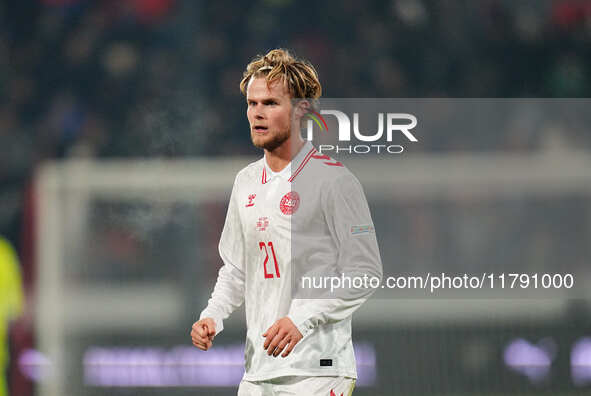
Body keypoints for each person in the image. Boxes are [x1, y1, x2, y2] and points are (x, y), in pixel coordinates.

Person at [191, 48, 382, 396]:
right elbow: (235, 269)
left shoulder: (334, 182)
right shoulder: (245, 182)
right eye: (252, 104)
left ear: (301, 110)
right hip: (258, 372)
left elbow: (365, 271)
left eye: (271, 104)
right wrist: (213, 316)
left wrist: (301, 318)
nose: (257, 114)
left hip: (319, 369)